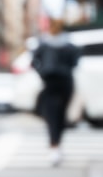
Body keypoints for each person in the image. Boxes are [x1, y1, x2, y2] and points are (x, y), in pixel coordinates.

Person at [31, 26, 82, 166]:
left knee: (55, 115)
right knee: (56, 115)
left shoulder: (48, 45)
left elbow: (34, 61)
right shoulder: (66, 46)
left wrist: (42, 72)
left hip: (55, 83)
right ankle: (55, 145)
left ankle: (55, 145)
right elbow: (75, 62)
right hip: (59, 83)